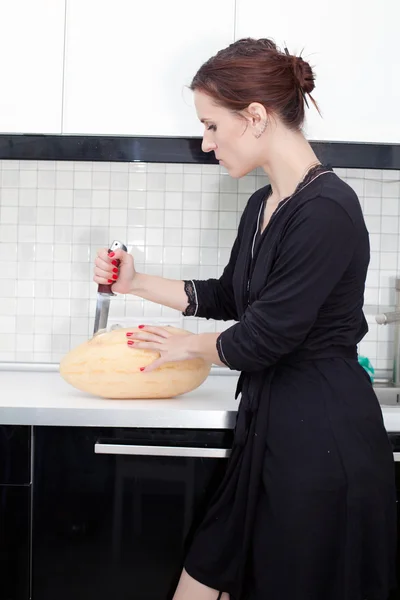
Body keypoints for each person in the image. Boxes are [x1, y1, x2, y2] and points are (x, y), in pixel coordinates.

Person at [93, 38, 397, 600]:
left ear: (255, 117)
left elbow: (266, 336)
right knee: (203, 580)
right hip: (269, 432)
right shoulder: (264, 205)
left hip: (321, 446)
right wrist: (134, 283)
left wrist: (188, 347)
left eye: (211, 126)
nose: (206, 143)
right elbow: (233, 296)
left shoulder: (329, 209)